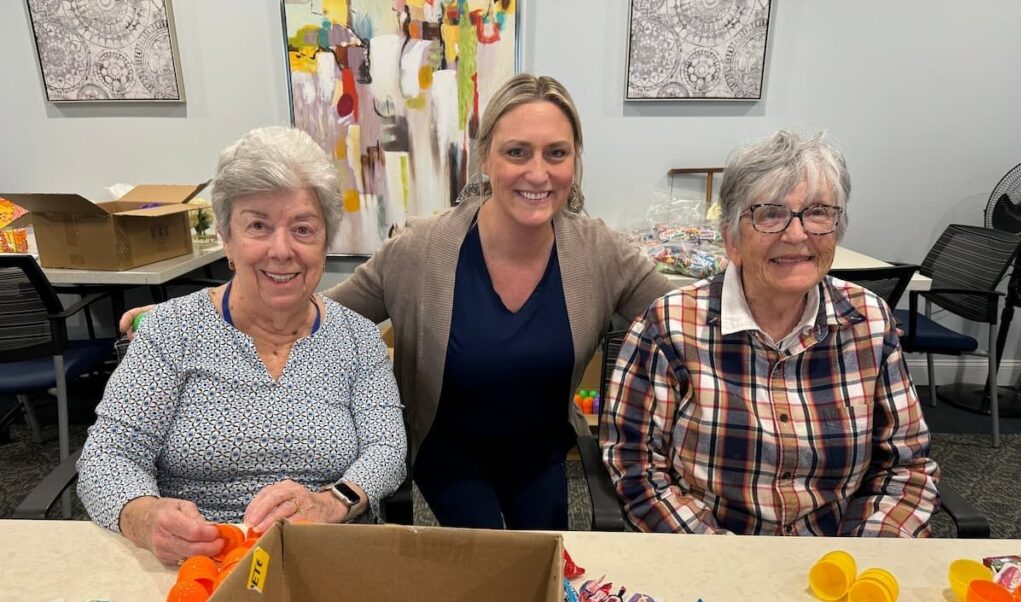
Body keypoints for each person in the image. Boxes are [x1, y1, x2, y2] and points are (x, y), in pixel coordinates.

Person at [121, 74, 673, 530]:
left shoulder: (600, 252)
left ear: (575, 160)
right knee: (483, 571)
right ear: (485, 158)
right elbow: (310, 302)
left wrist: (758, 277)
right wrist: (181, 316)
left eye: (557, 153)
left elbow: (690, 315)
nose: (537, 172)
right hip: (448, 451)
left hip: (542, 454)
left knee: (545, 568)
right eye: (516, 152)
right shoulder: (421, 249)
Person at [80, 127, 407, 564]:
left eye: (303, 229)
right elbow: (107, 456)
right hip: (198, 563)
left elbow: (387, 448)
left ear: (326, 241)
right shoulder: (171, 331)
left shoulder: (358, 338)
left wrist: (334, 500)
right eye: (258, 225)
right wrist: (144, 515)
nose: (281, 249)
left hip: (329, 555)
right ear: (226, 239)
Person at [602, 130, 939, 537]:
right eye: (769, 214)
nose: (796, 235)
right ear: (732, 239)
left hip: (838, 566)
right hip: (710, 562)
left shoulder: (870, 323)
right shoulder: (669, 327)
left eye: (818, 212)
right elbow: (634, 462)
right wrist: (722, 559)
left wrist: (861, 558)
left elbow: (906, 465)